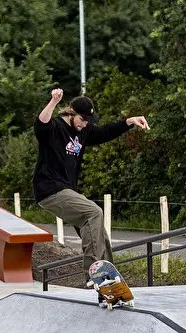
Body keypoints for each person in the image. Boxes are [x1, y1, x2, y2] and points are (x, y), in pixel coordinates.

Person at [32, 88, 149, 277]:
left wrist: (129, 122)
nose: (84, 124)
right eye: (82, 119)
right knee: (93, 211)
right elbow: (41, 124)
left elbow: (105, 132)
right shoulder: (54, 128)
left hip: (67, 191)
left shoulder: (83, 132)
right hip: (49, 189)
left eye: (87, 121)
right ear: (71, 113)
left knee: (95, 227)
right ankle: (96, 273)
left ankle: (110, 276)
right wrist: (53, 101)